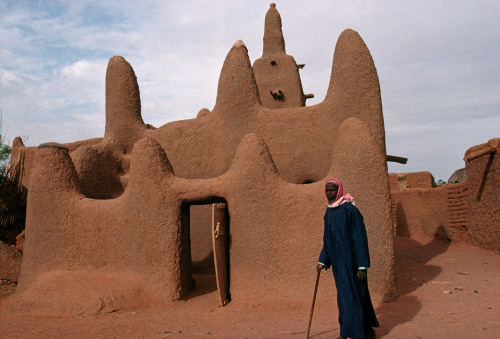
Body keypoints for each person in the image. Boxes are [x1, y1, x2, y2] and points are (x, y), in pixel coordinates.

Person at [317, 178, 379, 339]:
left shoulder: (350, 210)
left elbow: (359, 237)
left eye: (332, 190)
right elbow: (327, 239)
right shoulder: (329, 212)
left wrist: (362, 266)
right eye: (327, 190)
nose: (330, 193)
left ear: (339, 191)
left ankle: (352, 333)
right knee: (348, 298)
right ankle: (362, 330)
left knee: (356, 296)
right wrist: (323, 260)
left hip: (353, 264)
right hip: (339, 265)